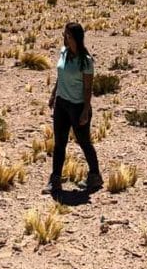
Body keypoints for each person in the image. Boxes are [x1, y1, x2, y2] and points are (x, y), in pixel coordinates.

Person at [42, 21, 103, 195]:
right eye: (64, 35)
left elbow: (88, 88)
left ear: (75, 37)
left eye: (67, 35)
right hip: (62, 104)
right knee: (59, 143)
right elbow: (59, 76)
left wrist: (85, 110)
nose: (64, 38)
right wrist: (54, 94)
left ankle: (95, 175)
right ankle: (55, 180)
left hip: (77, 106)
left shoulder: (86, 61)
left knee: (84, 142)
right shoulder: (63, 52)